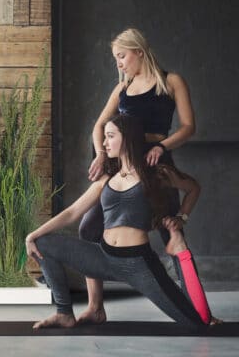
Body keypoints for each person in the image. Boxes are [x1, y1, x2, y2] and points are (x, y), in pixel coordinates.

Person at [26, 115, 213, 329]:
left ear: (128, 138)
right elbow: (72, 212)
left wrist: (182, 218)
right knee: (42, 243)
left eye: (110, 136)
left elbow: (193, 188)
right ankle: (64, 313)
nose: (104, 144)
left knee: (196, 323)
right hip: (104, 257)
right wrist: (32, 235)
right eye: (104, 137)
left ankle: (182, 251)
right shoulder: (106, 179)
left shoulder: (157, 173)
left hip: (138, 264)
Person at [78, 27, 204, 324]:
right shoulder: (122, 88)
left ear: (139, 51)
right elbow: (99, 126)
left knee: (172, 232)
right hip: (124, 169)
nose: (119, 64)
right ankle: (96, 307)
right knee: (88, 230)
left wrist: (161, 146)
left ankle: (199, 311)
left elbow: (188, 127)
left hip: (156, 163)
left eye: (121, 56)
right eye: (115, 59)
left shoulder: (171, 82)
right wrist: (100, 153)